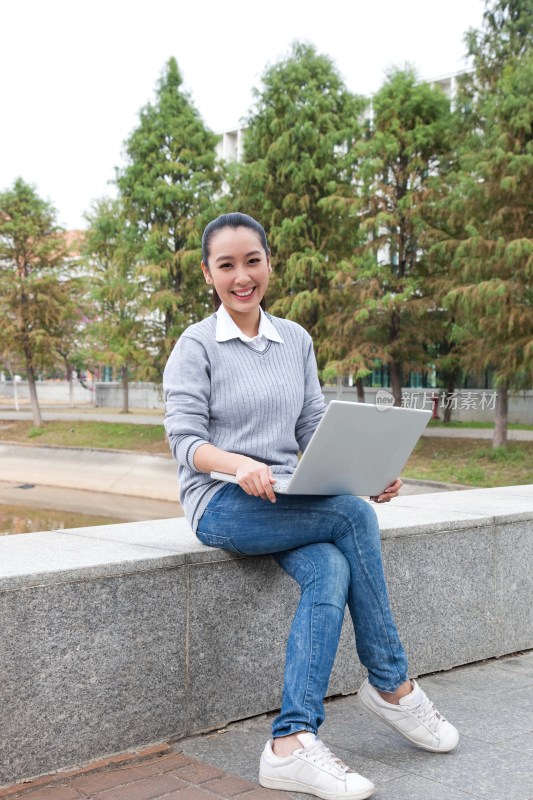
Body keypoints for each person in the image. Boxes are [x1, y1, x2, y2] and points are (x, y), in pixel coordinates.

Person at [163, 212, 459, 800]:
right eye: (227, 265)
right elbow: (185, 441)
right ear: (208, 274)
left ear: (269, 263)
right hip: (223, 503)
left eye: (253, 261)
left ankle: (290, 743)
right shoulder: (195, 345)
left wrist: (367, 472)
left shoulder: (294, 339)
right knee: (352, 516)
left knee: (331, 563)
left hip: (288, 498)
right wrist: (237, 465)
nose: (242, 276)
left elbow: (311, 424)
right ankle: (392, 684)